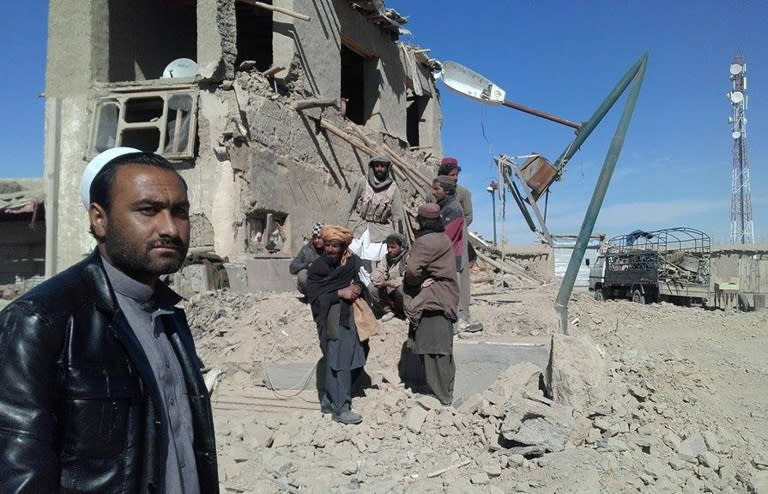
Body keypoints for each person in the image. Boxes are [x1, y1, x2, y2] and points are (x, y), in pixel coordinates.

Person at [0, 147, 219, 492]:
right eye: (148, 211)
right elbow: (19, 475)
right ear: (99, 219)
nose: (170, 229)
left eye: (180, 212)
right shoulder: (39, 322)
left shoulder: (169, 315)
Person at [306, 225, 368, 425]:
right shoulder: (318, 267)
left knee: (353, 355)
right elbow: (314, 297)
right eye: (328, 246)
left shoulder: (352, 262)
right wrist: (340, 293)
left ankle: (328, 400)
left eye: (335, 246)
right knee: (338, 360)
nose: (330, 250)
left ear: (343, 247)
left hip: (351, 316)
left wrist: (357, 288)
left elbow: (362, 279)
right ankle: (341, 408)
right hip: (330, 318)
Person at [403, 203, 459, 406]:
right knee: (442, 351)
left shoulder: (424, 242)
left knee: (434, 349)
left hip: (433, 301)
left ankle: (441, 395)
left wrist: (416, 283)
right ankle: (444, 392)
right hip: (445, 298)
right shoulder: (444, 239)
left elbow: (411, 271)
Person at [437, 157, 482, 332]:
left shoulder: (463, 193)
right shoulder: (433, 192)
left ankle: (463, 314)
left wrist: (455, 227)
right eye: (451, 175)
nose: (454, 178)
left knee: (460, 274)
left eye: (456, 175)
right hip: (438, 238)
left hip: (458, 239)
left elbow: (468, 217)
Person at [345, 155, 406, 269]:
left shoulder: (393, 188)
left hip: (380, 231)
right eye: (377, 166)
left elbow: (397, 215)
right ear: (372, 167)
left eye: (382, 166)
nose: (379, 169)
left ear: (387, 168)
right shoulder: (363, 181)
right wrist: (343, 229)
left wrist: (397, 238)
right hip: (358, 226)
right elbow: (349, 206)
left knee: (373, 262)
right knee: (350, 256)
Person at [369, 233, 408, 321]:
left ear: (401, 247)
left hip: (404, 291)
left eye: (393, 247)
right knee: (371, 287)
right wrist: (377, 278)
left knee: (401, 289)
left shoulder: (408, 258)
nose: (389, 250)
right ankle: (389, 311)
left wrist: (387, 283)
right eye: (388, 247)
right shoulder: (387, 257)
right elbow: (379, 269)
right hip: (390, 290)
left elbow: (407, 278)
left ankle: (407, 313)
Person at [289, 222, 325, 295]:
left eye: (319, 238)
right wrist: (307, 265)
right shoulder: (307, 249)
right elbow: (292, 267)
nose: (316, 241)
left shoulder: (330, 248)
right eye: (314, 238)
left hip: (326, 283)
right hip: (311, 283)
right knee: (302, 274)